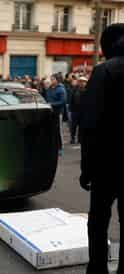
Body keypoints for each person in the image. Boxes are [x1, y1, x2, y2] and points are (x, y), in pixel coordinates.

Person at [80, 23, 124, 274]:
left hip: (107, 164)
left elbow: (90, 125)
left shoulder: (104, 71)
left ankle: (97, 269)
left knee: (98, 221)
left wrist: (87, 170)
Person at [45, 74, 66, 156]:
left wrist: (51, 104)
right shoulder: (49, 88)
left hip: (58, 113)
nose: (51, 80)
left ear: (57, 80)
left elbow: (62, 102)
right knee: (51, 130)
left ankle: (60, 148)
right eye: (51, 79)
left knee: (58, 131)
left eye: (53, 79)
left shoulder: (61, 89)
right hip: (50, 112)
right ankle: (53, 147)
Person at [69, 77, 86, 145]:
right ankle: (72, 138)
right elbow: (71, 99)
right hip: (75, 110)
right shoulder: (74, 89)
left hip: (83, 111)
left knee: (81, 126)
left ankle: (80, 139)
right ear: (78, 82)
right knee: (74, 126)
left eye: (83, 81)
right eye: (80, 81)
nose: (82, 83)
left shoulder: (88, 89)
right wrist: (70, 109)